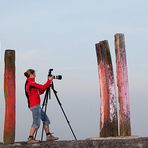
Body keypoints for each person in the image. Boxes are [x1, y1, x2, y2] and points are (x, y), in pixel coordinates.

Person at [24, 69, 59, 144]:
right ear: (31, 74)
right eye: (34, 74)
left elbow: (40, 91)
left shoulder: (30, 83)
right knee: (36, 122)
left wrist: (47, 84)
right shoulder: (31, 83)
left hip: (36, 105)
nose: (35, 75)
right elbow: (42, 87)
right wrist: (49, 81)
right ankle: (30, 138)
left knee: (46, 119)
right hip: (34, 105)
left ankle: (48, 136)